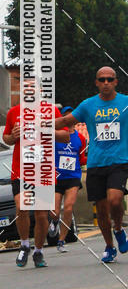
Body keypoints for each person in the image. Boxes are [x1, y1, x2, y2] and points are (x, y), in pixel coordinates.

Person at [55, 66, 128, 263]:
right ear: (96, 82)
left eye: (110, 79)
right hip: (96, 163)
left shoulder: (125, 103)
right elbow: (64, 120)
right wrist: (38, 125)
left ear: (116, 82)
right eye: (102, 79)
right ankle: (109, 246)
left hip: (119, 161)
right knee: (102, 209)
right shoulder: (88, 105)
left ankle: (119, 229)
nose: (106, 83)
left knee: (115, 199)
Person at [2, 98, 68, 268]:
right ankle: (24, 245)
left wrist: (46, 129)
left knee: (40, 214)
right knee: (20, 205)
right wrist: (13, 136)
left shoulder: (51, 111)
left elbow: (65, 136)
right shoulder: (14, 112)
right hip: (21, 169)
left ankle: (39, 251)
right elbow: (6, 138)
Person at [48, 107, 87, 252]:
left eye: (71, 116)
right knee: (55, 211)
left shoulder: (81, 138)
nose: (69, 118)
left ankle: (61, 240)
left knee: (69, 207)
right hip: (57, 176)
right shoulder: (57, 135)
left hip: (73, 176)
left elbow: (81, 158)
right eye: (66, 116)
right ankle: (54, 221)